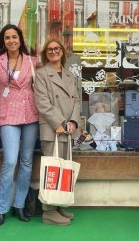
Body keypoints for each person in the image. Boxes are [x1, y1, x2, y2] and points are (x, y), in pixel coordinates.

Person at [0, 24, 39, 226]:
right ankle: (1, 207)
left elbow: (45, 84)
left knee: (26, 162)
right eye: (7, 38)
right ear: (3, 41)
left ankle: (20, 205)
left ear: (21, 39)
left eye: (15, 37)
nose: (11, 41)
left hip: (31, 115)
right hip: (8, 117)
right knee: (10, 162)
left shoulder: (33, 61)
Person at [34, 38, 80, 226]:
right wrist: (59, 122)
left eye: (57, 48)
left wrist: (74, 121)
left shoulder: (70, 75)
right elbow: (42, 102)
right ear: (46, 53)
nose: (53, 51)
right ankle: (49, 211)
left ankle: (59, 204)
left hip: (68, 129)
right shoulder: (41, 74)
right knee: (52, 170)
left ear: (62, 52)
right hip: (53, 128)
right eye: (50, 49)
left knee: (63, 169)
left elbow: (76, 100)